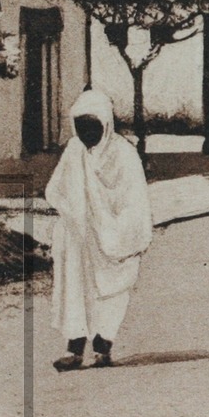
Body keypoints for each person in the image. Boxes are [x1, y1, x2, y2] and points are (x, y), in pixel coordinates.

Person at [42, 89, 154, 372]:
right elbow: (56, 189)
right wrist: (72, 213)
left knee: (111, 293)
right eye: (80, 127)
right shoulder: (74, 151)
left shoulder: (124, 154)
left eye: (92, 126)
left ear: (106, 124)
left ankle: (103, 347)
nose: (86, 133)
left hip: (112, 238)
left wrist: (117, 230)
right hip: (78, 238)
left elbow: (135, 201)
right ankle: (74, 349)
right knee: (75, 290)